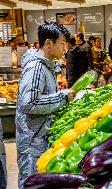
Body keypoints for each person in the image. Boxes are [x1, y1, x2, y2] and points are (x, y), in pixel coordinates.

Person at [16, 21, 75, 189]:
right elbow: (29, 103)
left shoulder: (46, 66)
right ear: (49, 43)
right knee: (32, 182)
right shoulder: (36, 67)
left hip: (39, 137)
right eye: (62, 43)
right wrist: (61, 98)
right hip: (32, 142)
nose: (65, 48)